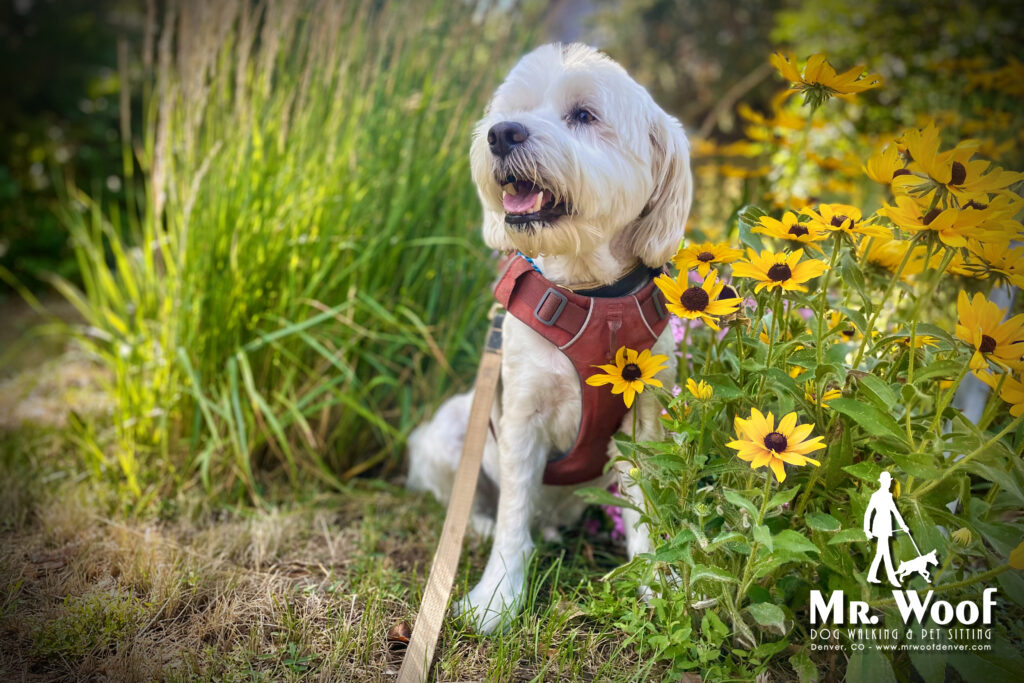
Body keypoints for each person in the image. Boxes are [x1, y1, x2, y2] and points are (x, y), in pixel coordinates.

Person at [864, 471, 909, 587]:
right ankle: (892, 578)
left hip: (887, 527)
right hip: (879, 527)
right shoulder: (876, 496)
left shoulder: (889, 497)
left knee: (881, 553)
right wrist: (867, 529)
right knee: (886, 554)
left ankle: (872, 575)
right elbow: (868, 513)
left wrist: (903, 526)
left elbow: (895, 512)